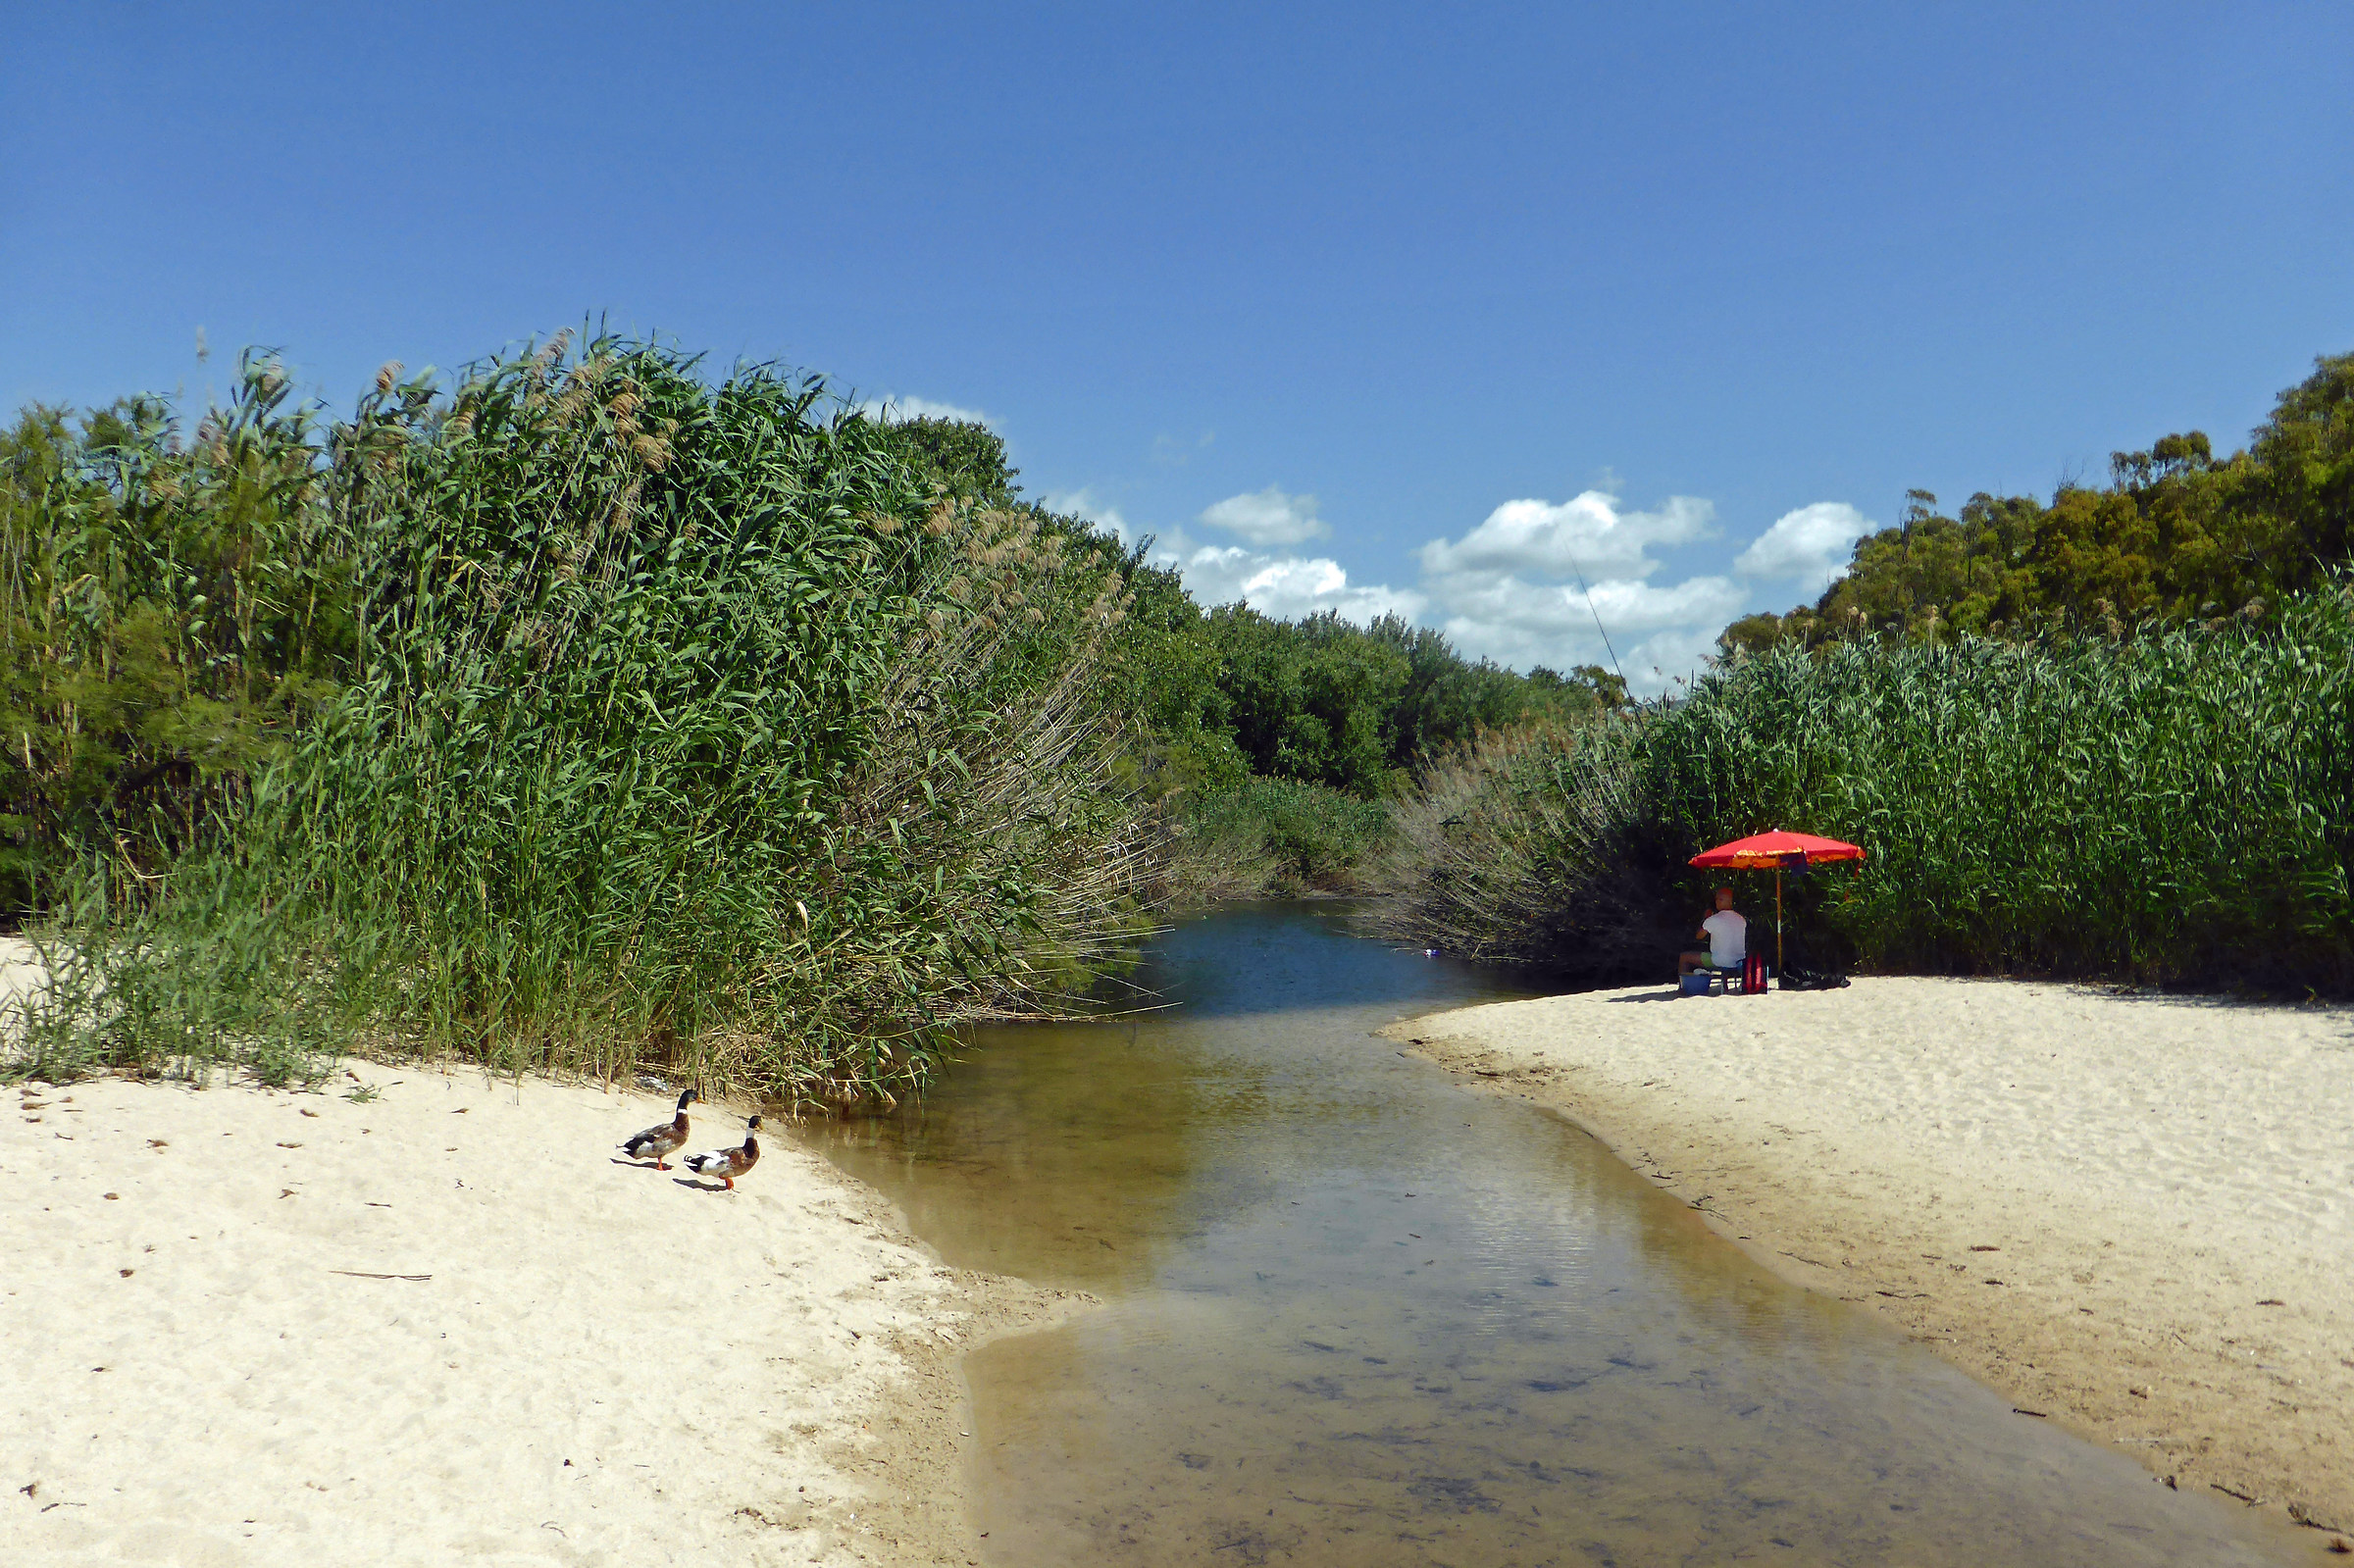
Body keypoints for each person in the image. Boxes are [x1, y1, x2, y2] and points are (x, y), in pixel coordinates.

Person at [1678, 887, 1746, 978]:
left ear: (1730, 901)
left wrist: (1706, 918)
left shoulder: (1713, 919)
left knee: (1684, 957)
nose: (1717, 901)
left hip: (1719, 960)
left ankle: (1683, 987)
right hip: (1739, 961)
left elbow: (1699, 936)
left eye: (1720, 899)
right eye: (1716, 899)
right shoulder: (1741, 919)